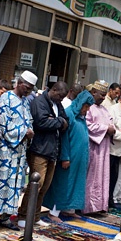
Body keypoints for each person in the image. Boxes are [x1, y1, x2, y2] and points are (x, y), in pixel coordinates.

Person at [0, 71, 36, 231]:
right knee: (0, 182)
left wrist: (29, 131)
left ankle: (6, 217)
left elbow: (29, 120)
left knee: (15, 184)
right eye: (27, 87)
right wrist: (23, 132)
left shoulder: (26, 102)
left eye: (30, 89)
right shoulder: (6, 98)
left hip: (20, 151)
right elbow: (3, 124)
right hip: (6, 149)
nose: (28, 91)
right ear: (19, 83)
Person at [17, 82, 68, 228]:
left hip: (52, 149)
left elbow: (66, 121)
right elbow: (42, 122)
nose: (61, 99)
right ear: (53, 90)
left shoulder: (57, 104)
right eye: (60, 95)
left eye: (63, 97)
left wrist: (57, 121)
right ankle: (23, 215)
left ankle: (35, 215)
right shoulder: (39, 102)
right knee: (35, 185)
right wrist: (58, 121)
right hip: (39, 148)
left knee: (45, 186)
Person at [44, 89, 94, 218]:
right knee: (62, 183)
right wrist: (65, 157)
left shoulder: (81, 117)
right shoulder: (69, 113)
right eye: (86, 106)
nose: (87, 109)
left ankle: (67, 209)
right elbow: (64, 139)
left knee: (74, 184)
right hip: (69, 157)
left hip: (78, 158)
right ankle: (53, 212)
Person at [84, 81, 115, 214]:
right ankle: (89, 206)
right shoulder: (88, 108)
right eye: (101, 95)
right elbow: (88, 125)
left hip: (104, 147)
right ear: (93, 93)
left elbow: (111, 124)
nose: (103, 98)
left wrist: (112, 129)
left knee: (103, 176)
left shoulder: (104, 110)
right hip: (93, 147)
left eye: (104, 95)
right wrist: (105, 128)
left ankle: (100, 205)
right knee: (92, 176)